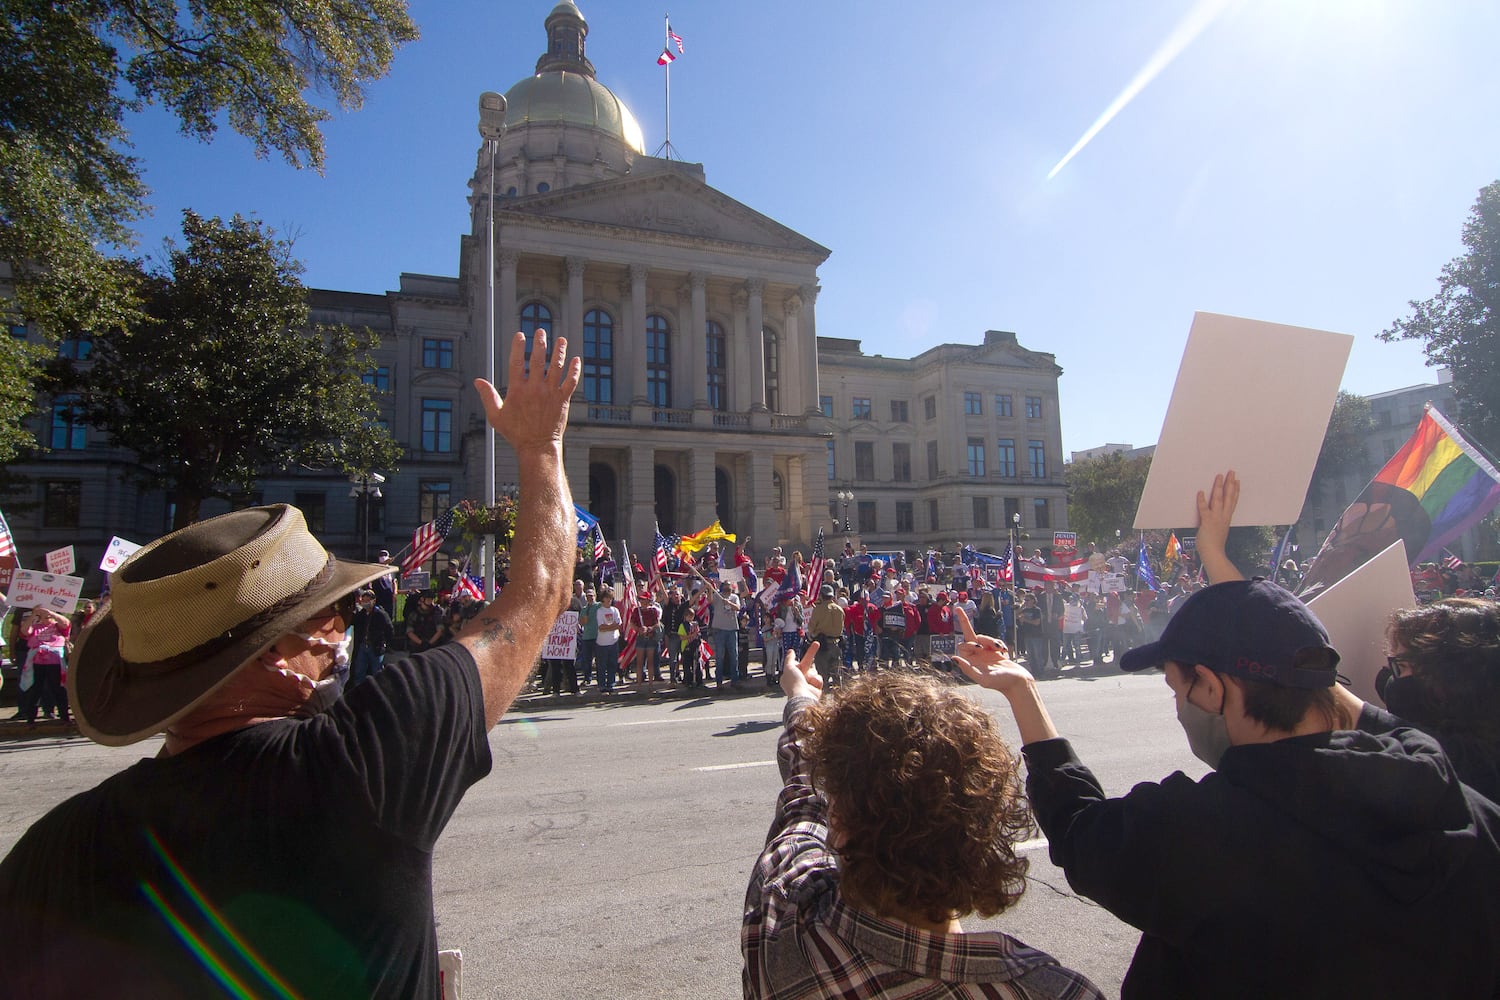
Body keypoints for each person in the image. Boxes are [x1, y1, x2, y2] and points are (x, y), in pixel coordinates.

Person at [0, 329, 583, 997]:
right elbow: (538, 594)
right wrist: (541, 448)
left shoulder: (51, 853)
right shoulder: (362, 762)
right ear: (275, 653)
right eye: (327, 616)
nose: (340, 633)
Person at [952, 577, 1500, 999]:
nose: (1178, 705)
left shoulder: (1199, 834)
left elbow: (1079, 829)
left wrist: (1023, 693)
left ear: (1211, 687)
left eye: (1176, 688)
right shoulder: (1463, 806)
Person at [742, 643, 1104, 1000]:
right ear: (986, 827)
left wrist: (801, 698)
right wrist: (1022, 688)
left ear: (838, 822)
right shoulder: (1058, 992)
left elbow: (803, 796)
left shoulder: (784, 923)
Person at [350, 587, 394, 686]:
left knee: (377, 672)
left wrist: (386, 643)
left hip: (376, 646)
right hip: (363, 646)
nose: (365, 602)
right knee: (359, 671)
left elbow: (389, 629)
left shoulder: (381, 614)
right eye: (364, 600)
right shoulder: (361, 614)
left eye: (368, 600)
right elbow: (354, 622)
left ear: (373, 601)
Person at [594, 589, 623, 694]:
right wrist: (612, 626)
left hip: (613, 641)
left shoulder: (615, 610)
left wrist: (609, 627)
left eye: (610, 598)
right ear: (603, 599)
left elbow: (619, 624)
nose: (609, 600)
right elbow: (601, 627)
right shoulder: (600, 611)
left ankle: (611, 684)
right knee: (602, 665)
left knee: (612, 664)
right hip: (602, 643)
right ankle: (601, 685)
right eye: (607, 598)